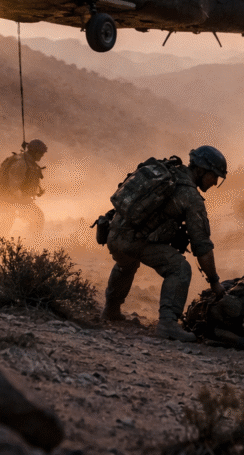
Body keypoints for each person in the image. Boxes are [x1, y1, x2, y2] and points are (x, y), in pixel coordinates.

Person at [101, 145, 228, 342]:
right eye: (214, 176)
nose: (215, 182)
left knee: (126, 263)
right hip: (133, 241)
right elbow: (202, 246)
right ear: (201, 170)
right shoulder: (191, 197)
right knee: (180, 268)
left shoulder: (167, 171)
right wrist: (214, 282)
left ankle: (111, 309)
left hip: (113, 233)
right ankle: (168, 324)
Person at [0, 139, 47, 238]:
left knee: (37, 218)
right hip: (8, 198)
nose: (42, 156)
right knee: (7, 222)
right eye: (41, 153)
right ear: (35, 152)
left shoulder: (30, 162)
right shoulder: (21, 163)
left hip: (18, 199)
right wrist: (21, 201)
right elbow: (14, 184)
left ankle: (30, 243)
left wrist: (35, 192)